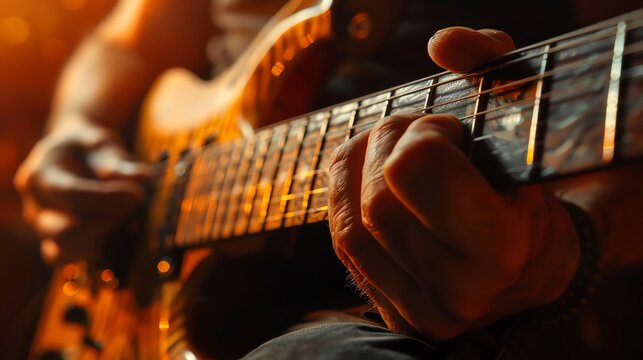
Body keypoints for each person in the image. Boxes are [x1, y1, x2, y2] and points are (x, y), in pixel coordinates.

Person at [13, 0, 642, 358]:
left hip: (437, 285)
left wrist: (570, 247)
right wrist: (73, 126)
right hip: (143, 224)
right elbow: (126, 38)